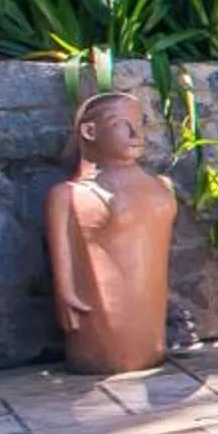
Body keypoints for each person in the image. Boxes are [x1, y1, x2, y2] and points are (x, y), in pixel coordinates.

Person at [45, 91, 177, 374]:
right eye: (121, 123)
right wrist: (65, 294)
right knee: (110, 353)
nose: (135, 133)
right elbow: (63, 265)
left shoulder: (162, 186)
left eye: (139, 123)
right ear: (90, 131)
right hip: (99, 319)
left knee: (145, 348)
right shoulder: (68, 195)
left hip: (149, 312)